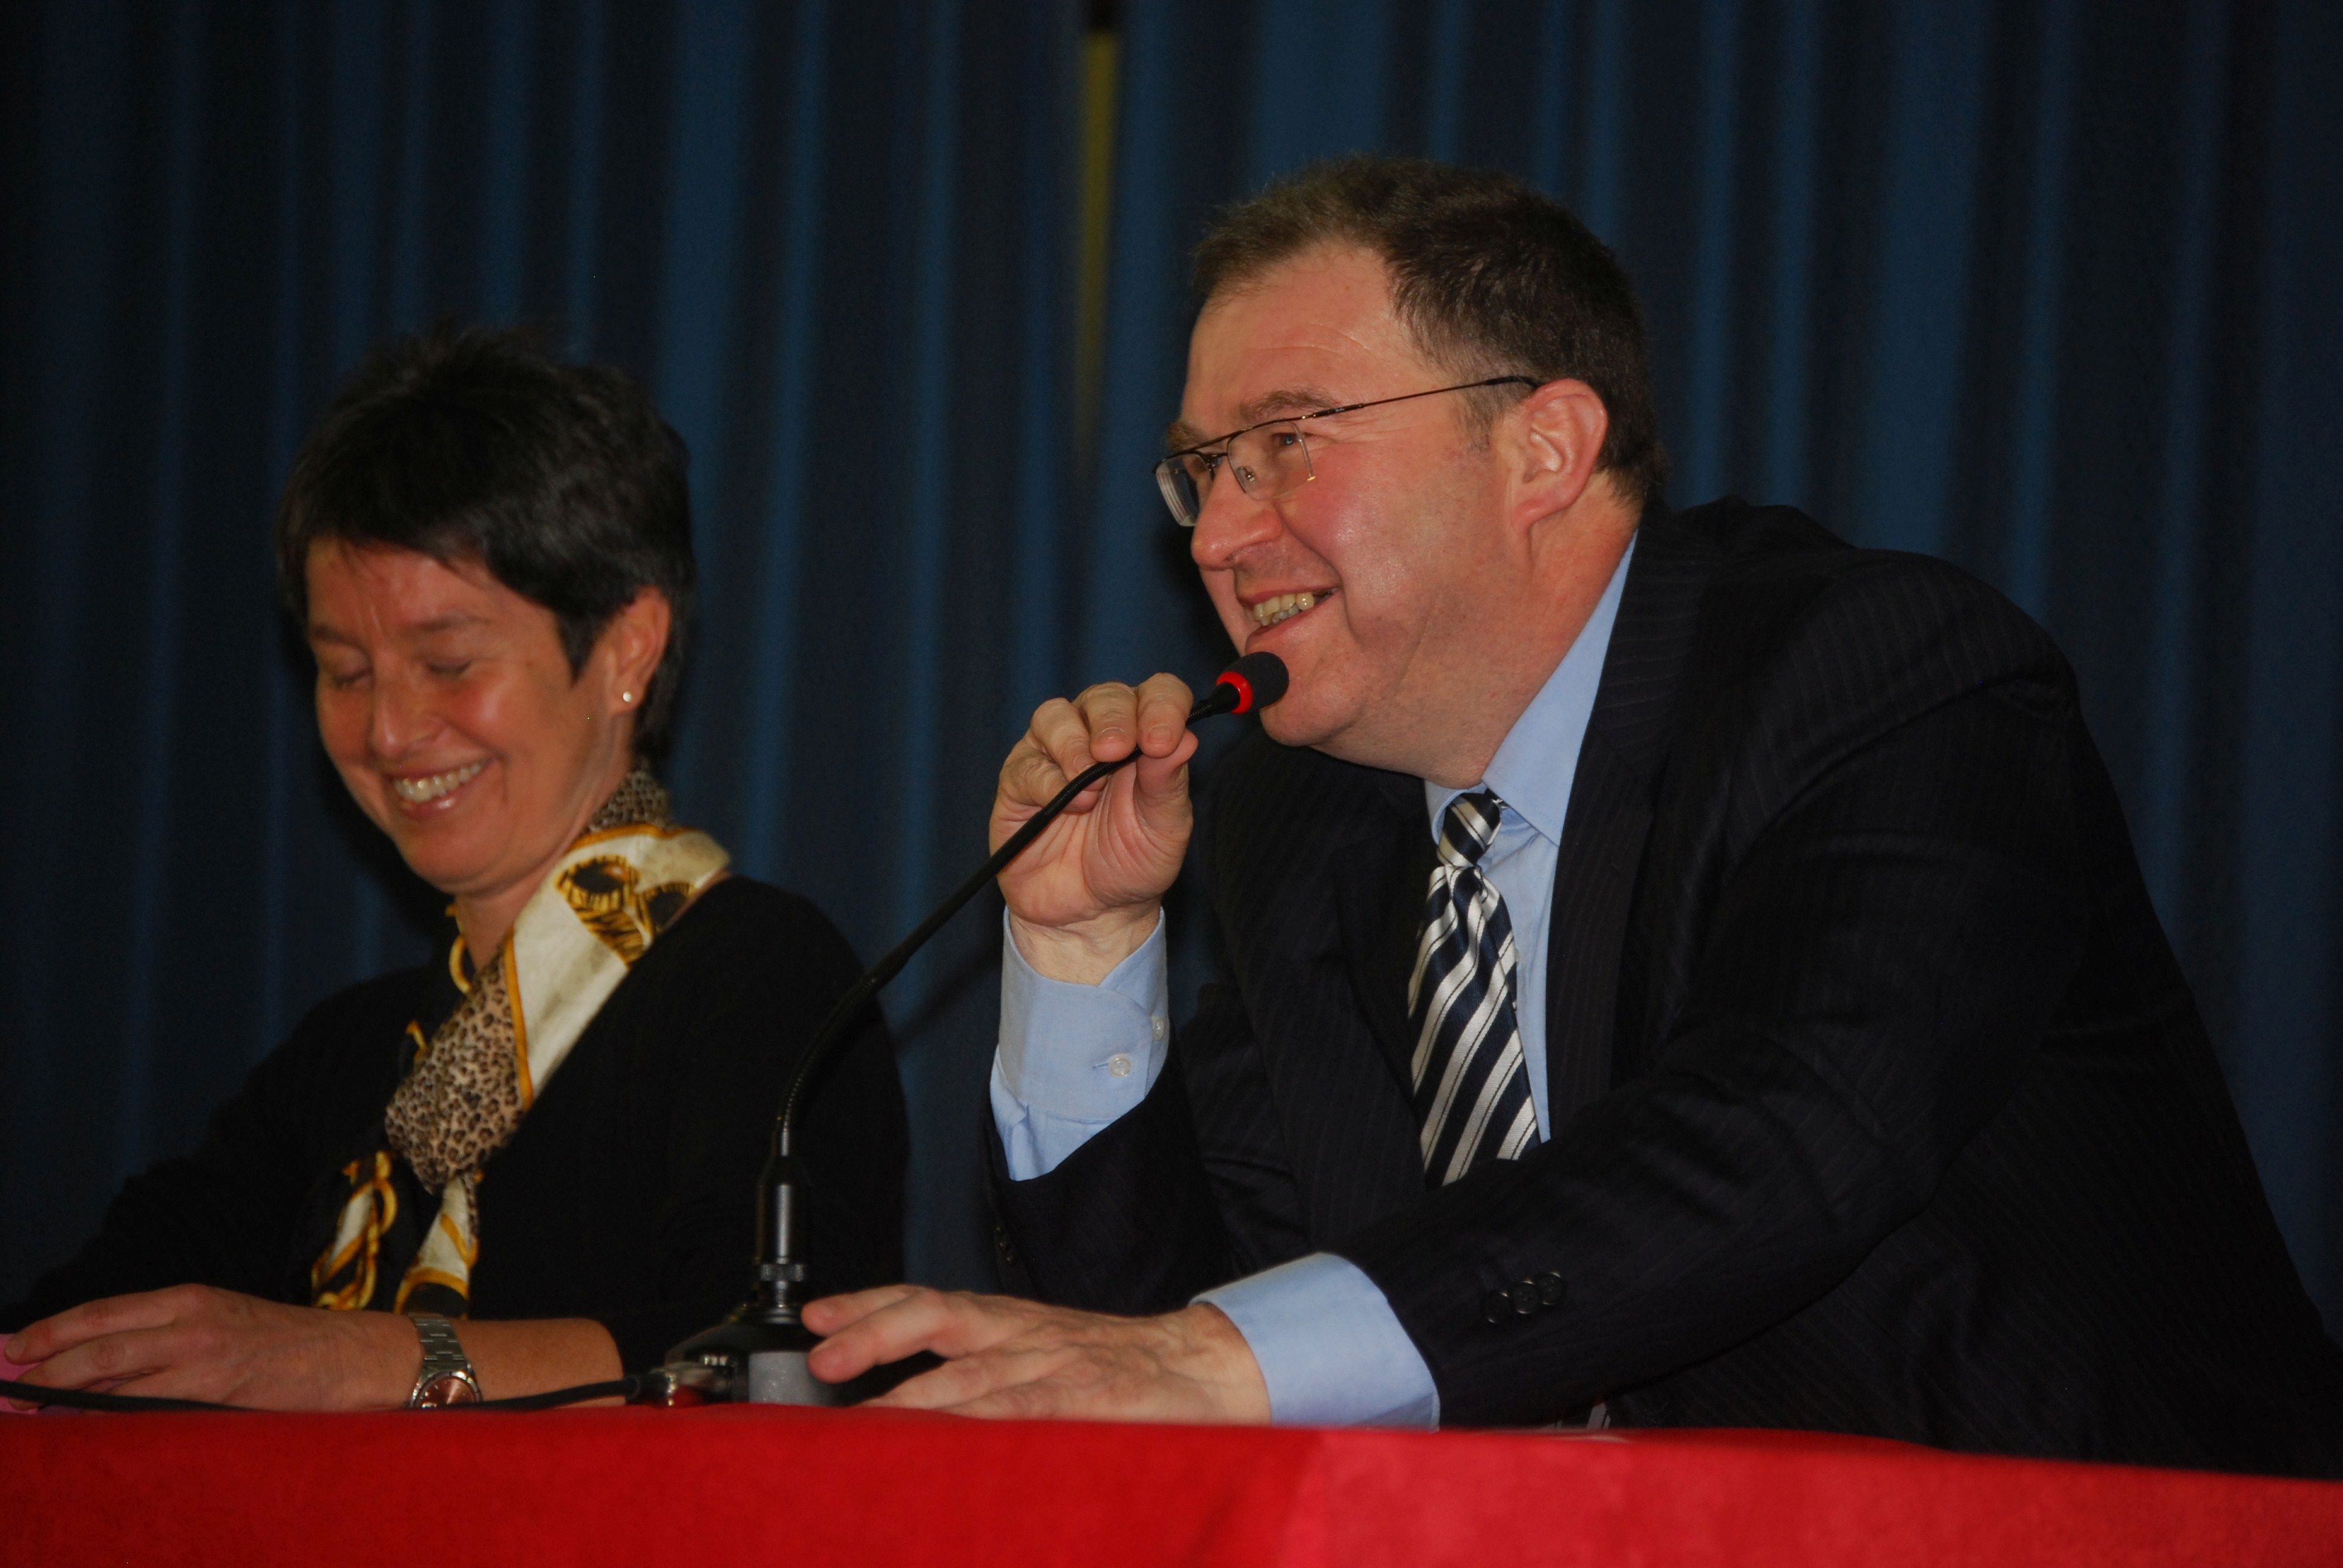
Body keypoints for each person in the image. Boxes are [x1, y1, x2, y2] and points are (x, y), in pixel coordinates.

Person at [802, 157, 2343, 1477]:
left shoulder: (1882, 678)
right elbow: (1175, 1340)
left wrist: (1215, 1359)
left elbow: (1788, 1139)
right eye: (1201, 471)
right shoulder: (1303, 817)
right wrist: (1085, 949)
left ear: (1542, 447)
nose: (1215, 535)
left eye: (1284, 447)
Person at [2, 327, 905, 1410]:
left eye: (447, 663)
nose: (388, 731)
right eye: (346, 672)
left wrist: (365, 1360)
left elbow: (775, 1360)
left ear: (627, 648)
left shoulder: (764, 981)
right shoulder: (346, 1058)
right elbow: (74, 1332)